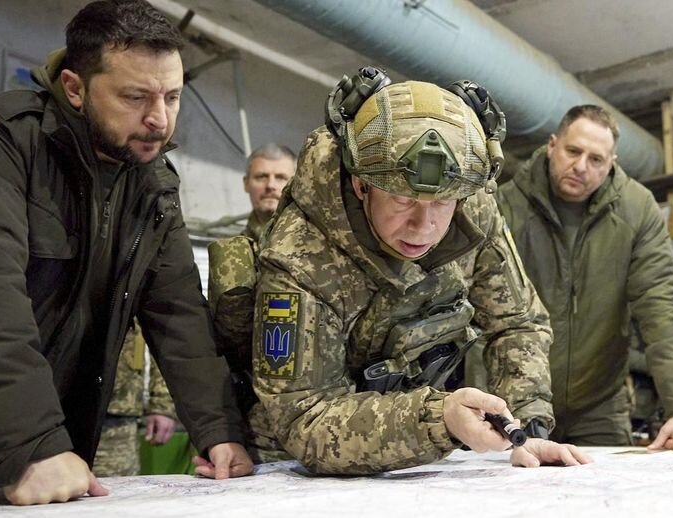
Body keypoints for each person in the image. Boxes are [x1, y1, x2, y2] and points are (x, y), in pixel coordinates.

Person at [0, 0, 251, 504]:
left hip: (39, 459)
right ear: (75, 88)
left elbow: (179, 313)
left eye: (172, 97)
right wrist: (31, 443)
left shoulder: (153, 186)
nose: (159, 119)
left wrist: (219, 431)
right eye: (135, 97)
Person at [248, 69, 590, 474]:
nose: (423, 227)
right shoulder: (300, 255)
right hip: (294, 465)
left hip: (415, 456)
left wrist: (527, 427)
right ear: (361, 185)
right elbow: (303, 416)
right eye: (402, 200)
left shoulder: (472, 209)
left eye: (441, 204)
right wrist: (437, 420)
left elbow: (518, 324)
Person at [495, 104, 673, 450]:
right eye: (573, 151)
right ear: (552, 145)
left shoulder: (638, 210)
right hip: (513, 397)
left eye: (596, 159)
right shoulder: (504, 205)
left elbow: (661, 308)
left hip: (598, 403)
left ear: (612, 164)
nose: (581, 166)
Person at [93, 322, 177, 477]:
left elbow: (161, 336)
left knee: (115, 488)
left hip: (118, 410)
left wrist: (162, 402)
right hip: (57, 409)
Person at [242, 144, 296, 241]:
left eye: (280, 178)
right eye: (261, 177)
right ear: (246, 184)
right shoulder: (230, 248)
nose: (270, 185)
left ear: (297, 185)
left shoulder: (318, 242)